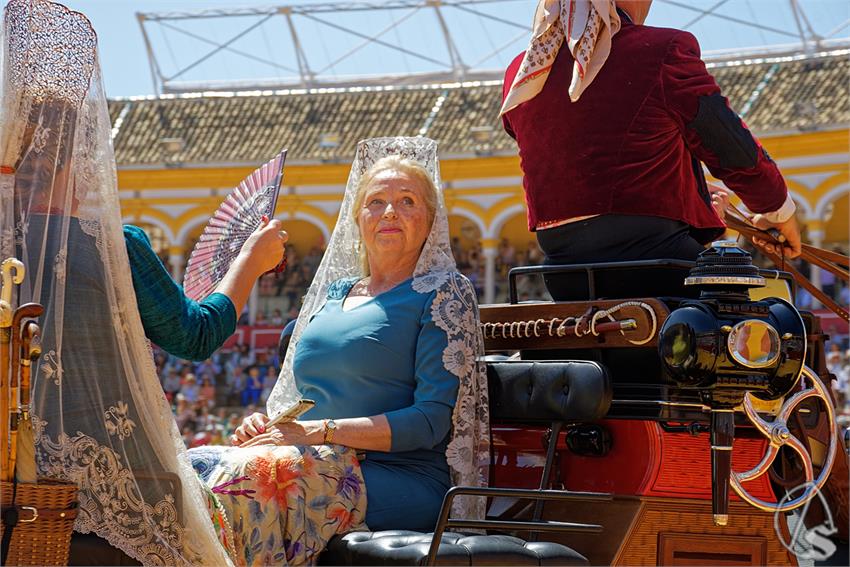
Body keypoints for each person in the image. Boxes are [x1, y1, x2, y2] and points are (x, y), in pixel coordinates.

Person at [0, 1, 285, 564]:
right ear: (75, 161)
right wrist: (250, 261)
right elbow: (194, 336)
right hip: (111, 484)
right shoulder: (113, 249)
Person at [187, 137, 489, 566]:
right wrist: (268, 424)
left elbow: (429, 422)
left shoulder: (442, 293)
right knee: (193, 468)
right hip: (311, 458)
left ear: (431, 220)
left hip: (399, 476)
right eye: (376, 201)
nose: (389, 211)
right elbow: (304, 397)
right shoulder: (333, 295)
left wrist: (318, 432)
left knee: (250, 482)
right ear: (357, 217)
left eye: (407, 201)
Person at [500, 0, 801, 298]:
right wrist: (776, 208)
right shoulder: (661, 50)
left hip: (563, 277)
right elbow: (728, 144)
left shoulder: (523, 72)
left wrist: (691, 191)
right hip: (659, 268)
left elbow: (586, 161)